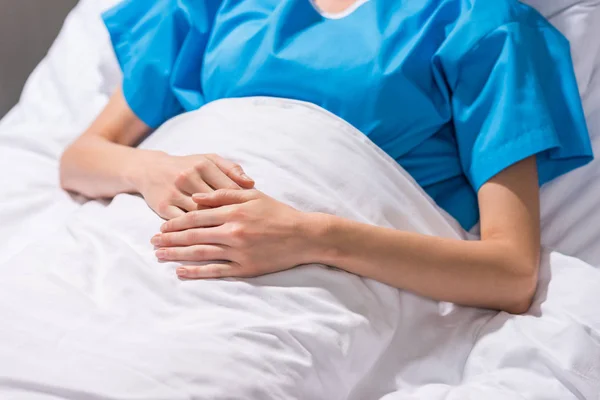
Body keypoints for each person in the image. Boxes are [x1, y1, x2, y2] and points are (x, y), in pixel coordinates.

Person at [59, 0, 593, 314]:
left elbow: (512, 273)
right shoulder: (214, 7)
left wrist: (309, 237)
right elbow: (80, 159)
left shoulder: (479, 22)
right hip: (137, 252)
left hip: (318, 286)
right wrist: (151, 170)